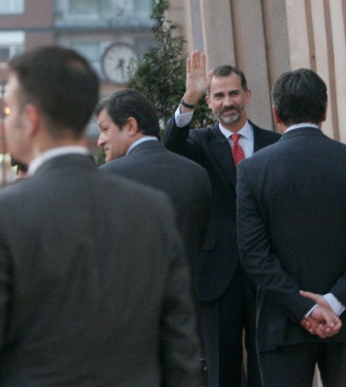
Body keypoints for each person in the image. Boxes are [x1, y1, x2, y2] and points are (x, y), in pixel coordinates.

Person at [0, 45, 201, 386]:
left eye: (10, 109)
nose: (6, 119)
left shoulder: (0, 217)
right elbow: (180, 348)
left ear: (30, 120)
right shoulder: (152, 211)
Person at [236, 68, 346, 387]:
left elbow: (254, 255)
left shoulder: (253, 170)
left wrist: (304, 307)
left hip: (281, 322)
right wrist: (335, 301)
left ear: (276, 114)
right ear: (324, 110)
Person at [163, 50, 280, 387]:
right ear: (210, 103)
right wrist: (189, 99)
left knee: (267, 365)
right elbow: (170, 149)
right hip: (217, 274)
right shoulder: (198, 142)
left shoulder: (274, 144)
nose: (227, 102)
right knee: (221, 371)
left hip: (267, 270)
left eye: (233, 93)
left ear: (247, 95)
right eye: (218, 96)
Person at [96, 89, 212, 384]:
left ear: (131, 126)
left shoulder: (105, 178)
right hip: (190, 329)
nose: (100, 140)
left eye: (105, 129)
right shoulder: (197, 174)